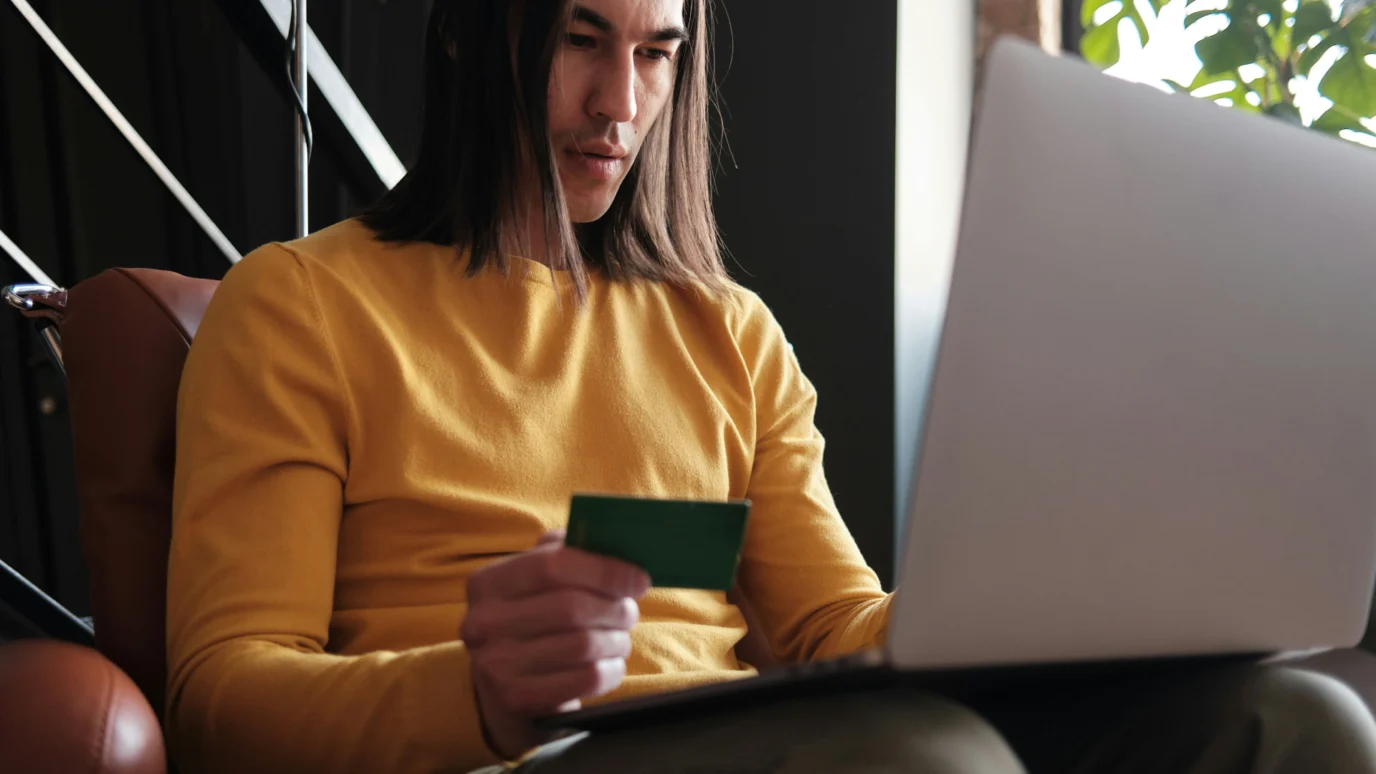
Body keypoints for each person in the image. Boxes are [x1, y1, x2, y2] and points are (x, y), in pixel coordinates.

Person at [164, 0, 1376, 772]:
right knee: (921, 758)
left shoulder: (726, 334)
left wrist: (1066, 595)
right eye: (581, 41)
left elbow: (831, 626)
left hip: (744, 737)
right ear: (468, 30)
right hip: (515, 755)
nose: (619, 106)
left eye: (656, 53)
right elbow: (224, 693)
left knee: (1297, 726)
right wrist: (471, 692)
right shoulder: (303, 302)